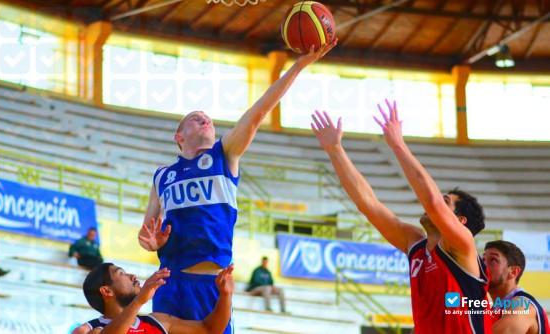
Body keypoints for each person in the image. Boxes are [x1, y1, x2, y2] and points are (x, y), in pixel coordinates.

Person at [137, 40, 337, 333]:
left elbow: (258, 113)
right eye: (195, 118)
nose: (204, 119)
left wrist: (300, 64)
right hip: (171, 279)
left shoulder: (225, 152)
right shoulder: (162, 175)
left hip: (213, 282)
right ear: (179, 136)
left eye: (208, 119)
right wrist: (150, 242)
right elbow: (148, 231)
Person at [311, 102, 491, 333]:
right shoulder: (415, 243)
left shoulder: (462, 246)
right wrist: (335, 150)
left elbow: (433, 202)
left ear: (461, 221)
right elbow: (369, 204)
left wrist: (398, 145)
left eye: (447, 202)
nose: (435, 203)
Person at [71, 263, 234, 334]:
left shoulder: (158, 321)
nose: (132, 275)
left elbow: (210, 330)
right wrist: (139, 301)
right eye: (121, 273)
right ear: (106, 291)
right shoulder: (87, 330)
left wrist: (226, 295)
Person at [483, 240, 550, 334]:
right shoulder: (495, 309)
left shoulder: (522, 305)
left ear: (513, 272)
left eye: (493, 260)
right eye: (483, 260)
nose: (483, 266)